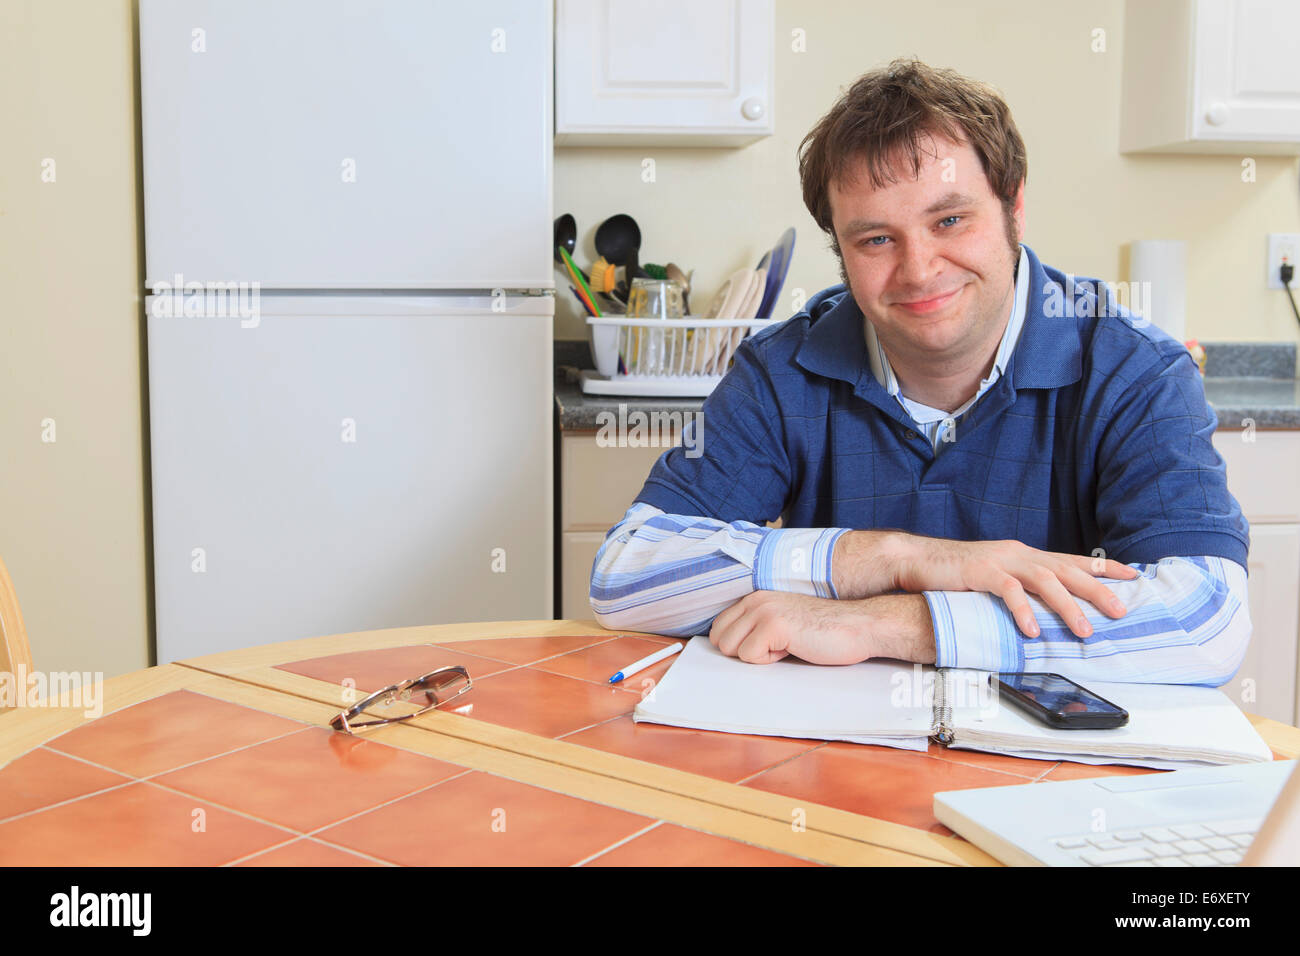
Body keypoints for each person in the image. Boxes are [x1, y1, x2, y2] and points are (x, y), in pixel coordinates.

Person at [589, 58, 1250, 687]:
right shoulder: (779, 370)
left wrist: (896, 621)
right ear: (841, 251)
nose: (919, 268)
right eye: (876, 239)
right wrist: (890, 557)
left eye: (951, 219)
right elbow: (623, 577)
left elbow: (1205, 618)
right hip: (834, 768)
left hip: (1053, 781)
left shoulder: (1133, 369)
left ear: (1014, 207)